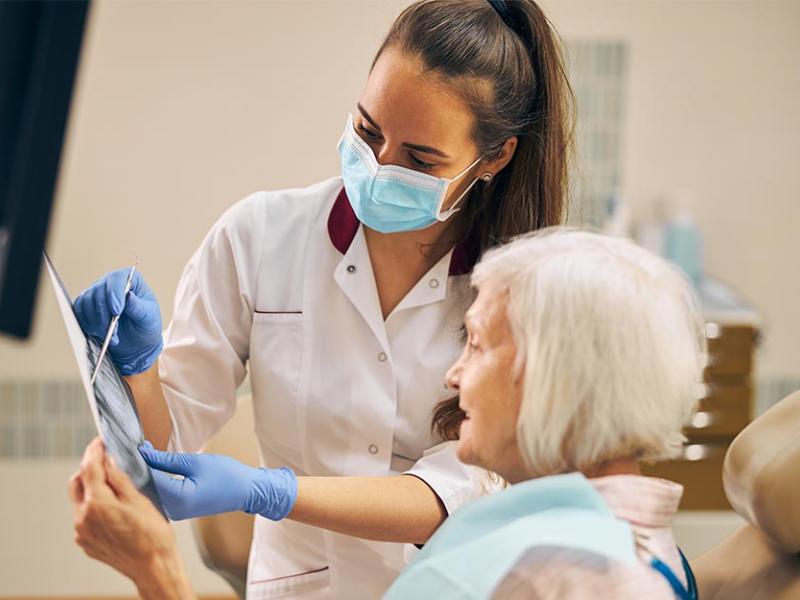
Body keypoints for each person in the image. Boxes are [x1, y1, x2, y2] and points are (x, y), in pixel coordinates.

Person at [72, 0, 573, 597]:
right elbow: (166, 441)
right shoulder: (258, 237)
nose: (380, 166)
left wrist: (275, 491)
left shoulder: (519, 291)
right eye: (367, 130)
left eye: (419, 159)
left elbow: (458, 490)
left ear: (494, 157)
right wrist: (139, 368)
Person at [70, 229, 705, 599]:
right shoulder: (597, 544)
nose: (454, 377)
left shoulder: (569, 578)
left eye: (477, 344)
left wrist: (158, 573)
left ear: (558, 382)